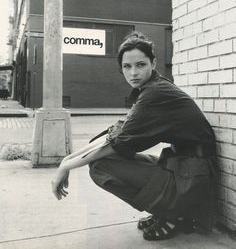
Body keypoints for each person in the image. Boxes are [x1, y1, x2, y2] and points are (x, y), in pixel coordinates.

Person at [52, 32, 217, 241]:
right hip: (184, 169)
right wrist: (66, 161)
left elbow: (117, 144)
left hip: (193, 178)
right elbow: (113, 135)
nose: (133, 73)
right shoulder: (150, 89)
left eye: (140, 65)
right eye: (127, 67)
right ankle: (166, 209)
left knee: (102, 167)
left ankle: (173, 212)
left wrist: (66, 167)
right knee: (100, 160)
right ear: (121, 69)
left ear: (153, 63)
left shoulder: (156, 94)